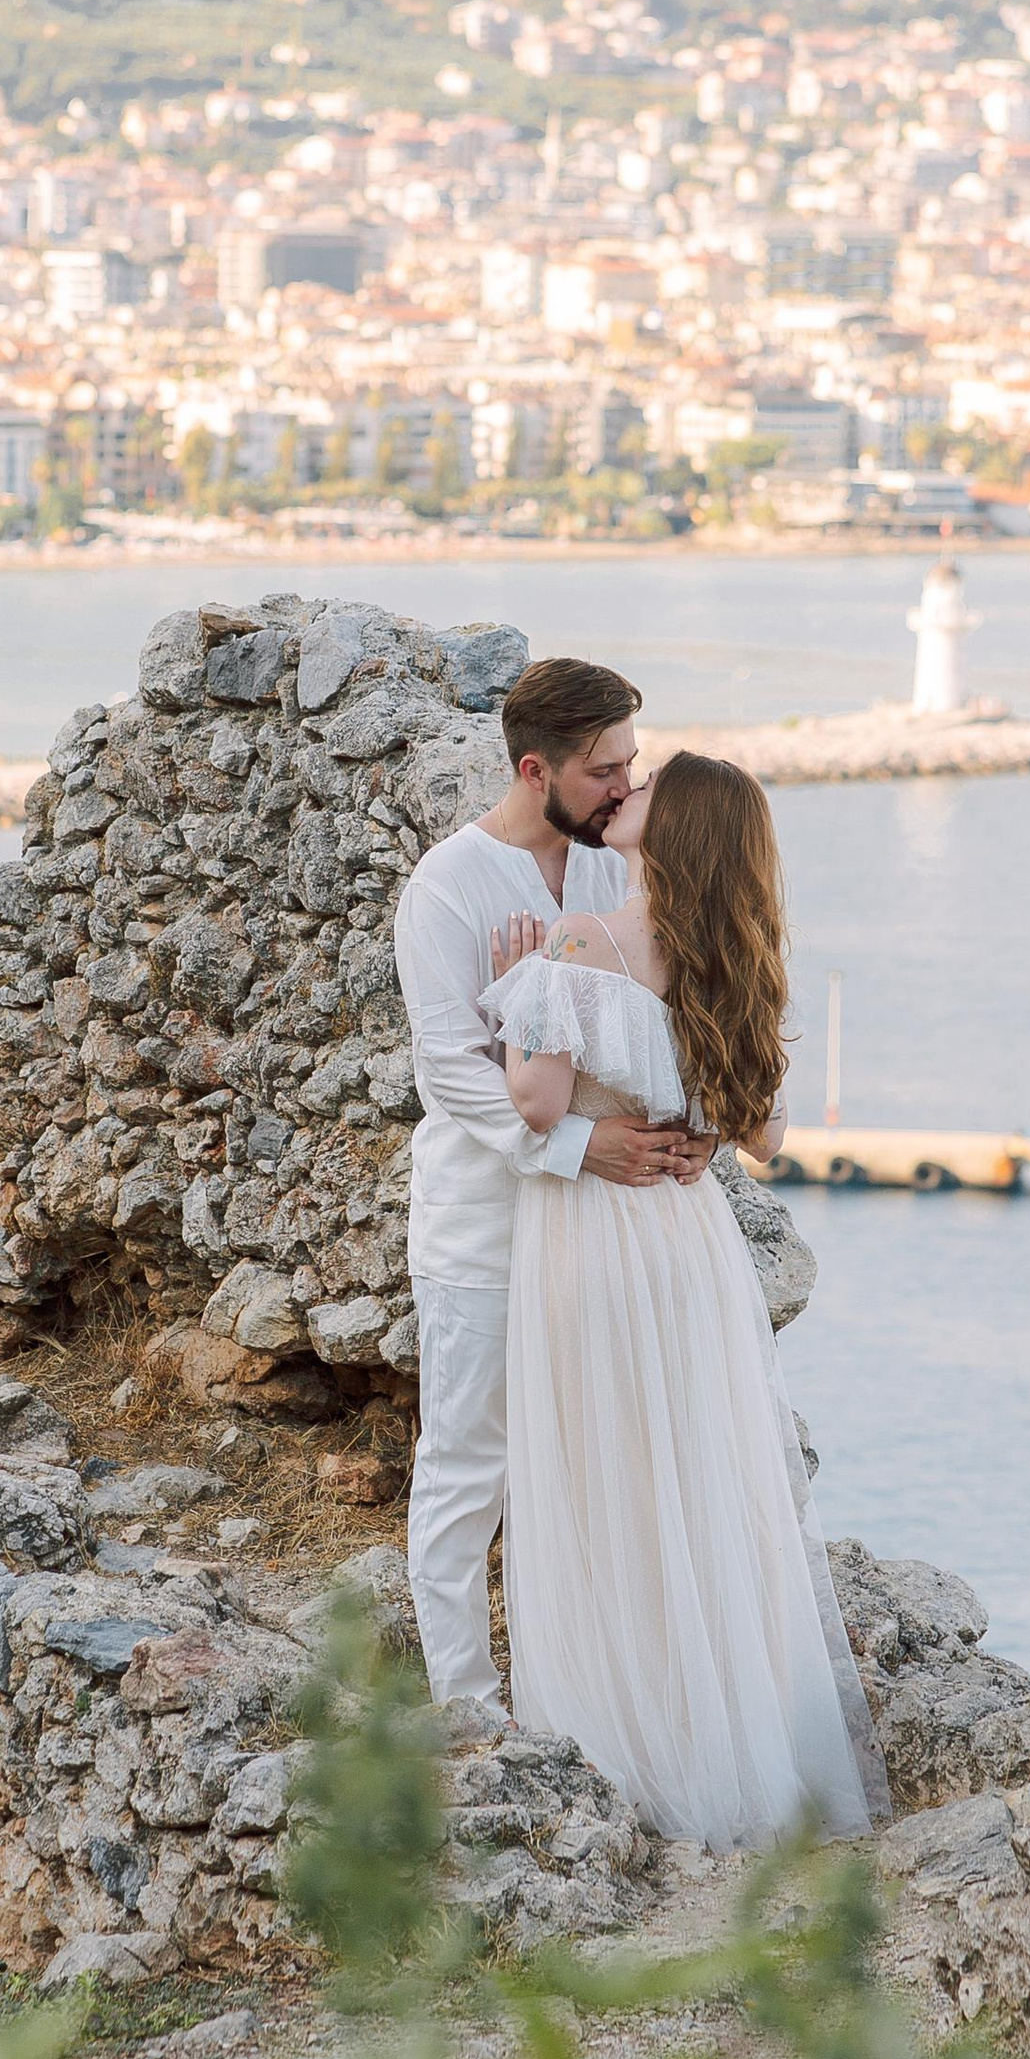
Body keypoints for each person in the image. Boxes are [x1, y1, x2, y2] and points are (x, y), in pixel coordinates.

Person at [481, 750, 888, 1849]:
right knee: (697, 1482)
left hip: (598, 1237)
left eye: (648, 784)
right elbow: (767, 1134)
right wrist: (699, 1119)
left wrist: (518, 995)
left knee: (605, 1480)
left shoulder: (578, 943)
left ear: (680, 830)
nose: (627, 789)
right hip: (692, 1249)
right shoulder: (731, 965)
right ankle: (724, 1747)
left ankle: (630, 1751)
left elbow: (537, 1103)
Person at [391, 656, 716, 1708]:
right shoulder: (447, 887)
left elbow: (664, 1014)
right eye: (603, 771)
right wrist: (580, 1146)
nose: (625, 789)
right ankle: (463, 1702)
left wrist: (698, 1128)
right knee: (469, 1460)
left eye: (631, 764)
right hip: (487, 1226)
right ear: (535, 769)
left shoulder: (614, 867)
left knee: (599, 1459)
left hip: (597, 1237)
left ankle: (592, 1695)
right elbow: (450, 1071)